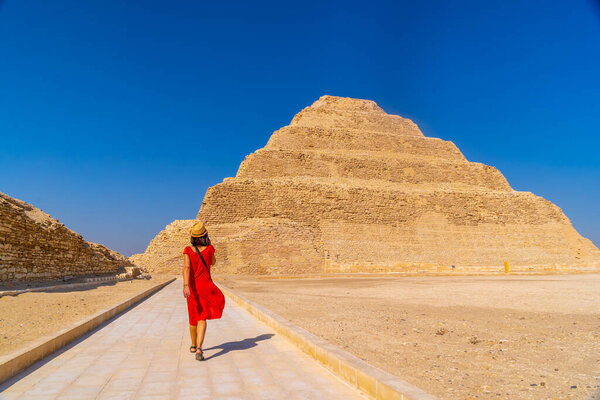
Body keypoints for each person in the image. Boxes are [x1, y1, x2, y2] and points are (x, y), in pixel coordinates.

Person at [182, 221, 225, 361]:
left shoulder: (188, 250)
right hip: (206, 286)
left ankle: (193, 345)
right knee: (202, 317)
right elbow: (213, 262)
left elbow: (186, 268)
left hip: (193, 287)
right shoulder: (210, 248)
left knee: (193, 316)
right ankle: (199, 348)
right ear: (205, 235)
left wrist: (185, 285)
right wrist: (210, 247)